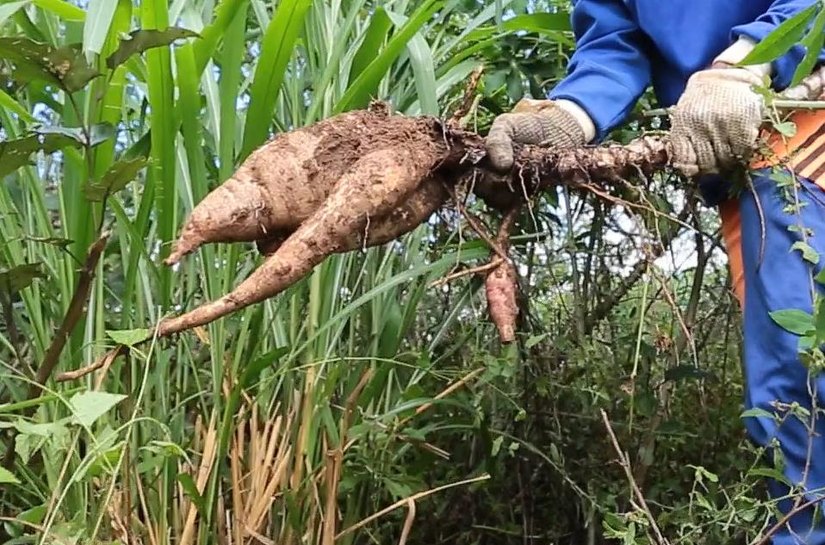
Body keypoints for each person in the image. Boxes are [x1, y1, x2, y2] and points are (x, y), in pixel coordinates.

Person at [484, 2, 825, 543]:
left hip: (804, 108)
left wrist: (750, 61)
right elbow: (616, 37)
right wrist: (572, 113)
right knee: (796, 394)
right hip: (760, 162)